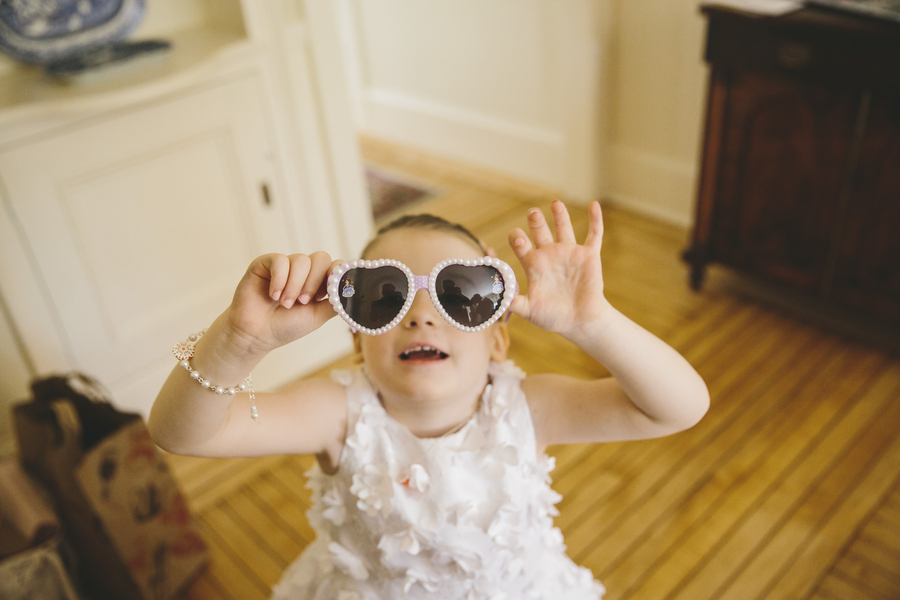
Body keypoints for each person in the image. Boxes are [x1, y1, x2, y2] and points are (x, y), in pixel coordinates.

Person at [149, 200, 710, 599]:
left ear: (499, 335)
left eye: (459, 293)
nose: (421, 315)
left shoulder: (530, 408)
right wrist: (239, 341)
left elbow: (676, 408)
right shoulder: (337, 416)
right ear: (357, 336)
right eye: (384, 297)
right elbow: (183, 433)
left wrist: (594, 324)